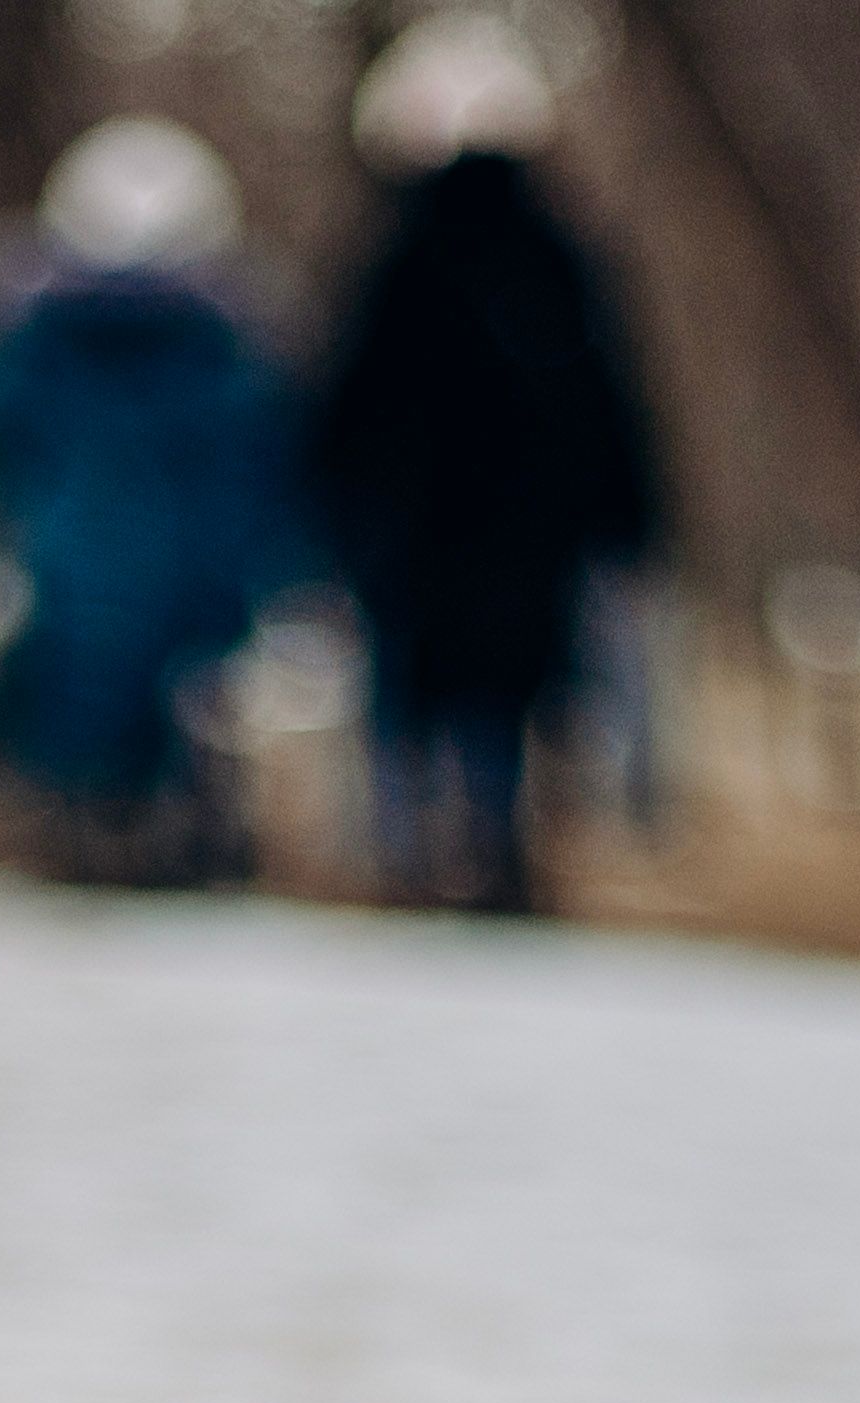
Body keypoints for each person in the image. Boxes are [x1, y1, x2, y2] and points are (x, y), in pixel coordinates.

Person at [302, 17, 664, 915]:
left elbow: (345, 410)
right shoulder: (556, 258)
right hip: (521, 540)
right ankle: (489, 850)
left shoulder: (397, 261)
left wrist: (334, 515)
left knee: (415, 692)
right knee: (501, 696)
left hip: (420, 540)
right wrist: (628, 518)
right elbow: (609, 406)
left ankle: (414, 856)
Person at [0, 119, 298, 888]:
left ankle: (94, 824)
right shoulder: (223, 350)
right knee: (149, 689)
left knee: (94, 689)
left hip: (84, 566)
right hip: (158, 576)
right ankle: (126, 827)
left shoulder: (35, 343)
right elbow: (255, 464)